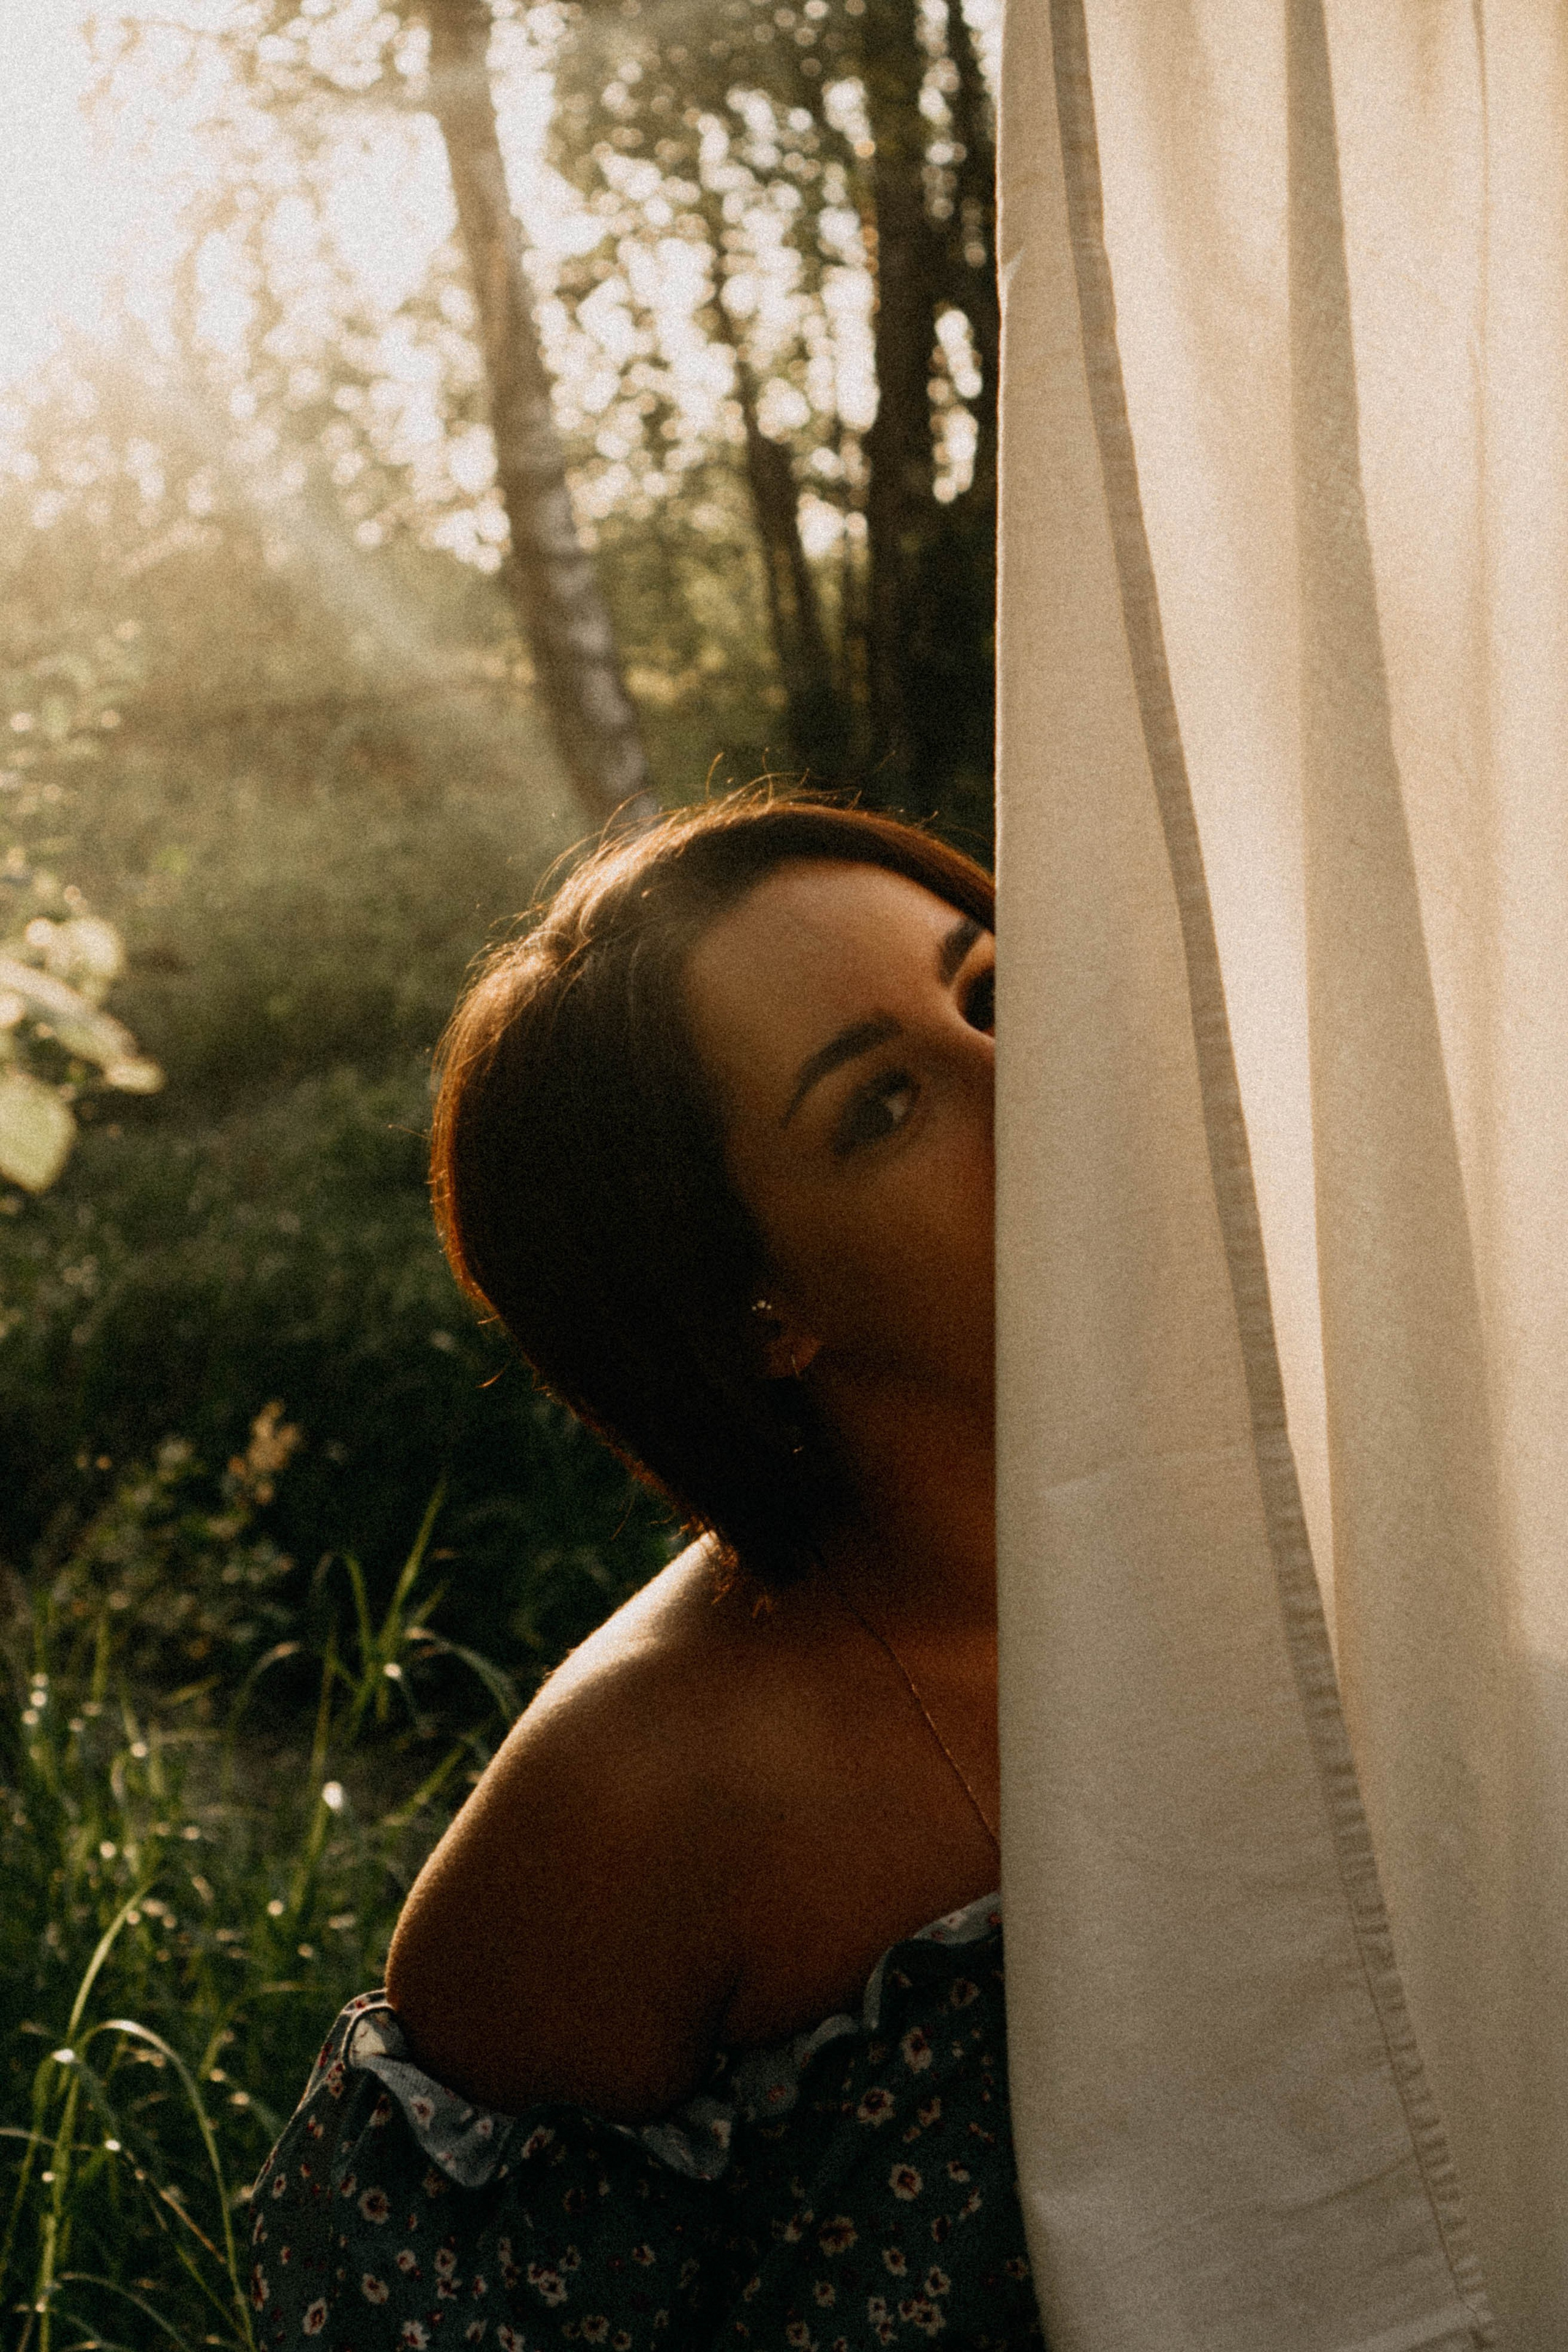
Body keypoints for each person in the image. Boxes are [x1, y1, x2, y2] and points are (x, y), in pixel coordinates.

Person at [247, 788, 1042, 2348]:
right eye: (878, 1106)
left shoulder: (1361, 1500)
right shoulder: (643, 1799)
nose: (1028, 1081)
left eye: (991, 991)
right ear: (755, 1313)